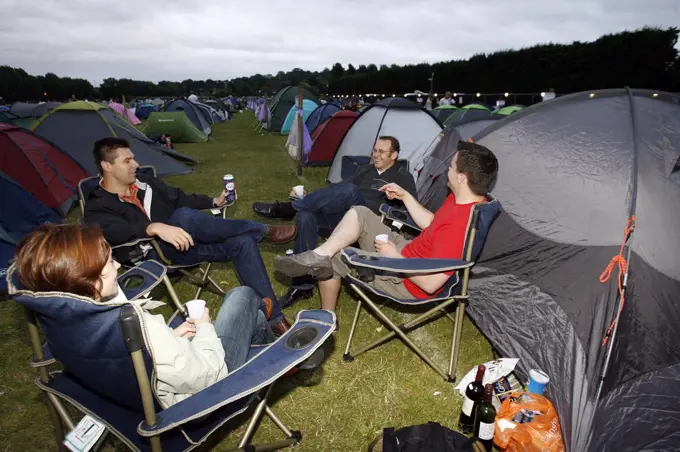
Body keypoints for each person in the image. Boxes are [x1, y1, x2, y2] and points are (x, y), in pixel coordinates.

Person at [14, 224, 276, 408]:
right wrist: (205, 327)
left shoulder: (64, 320)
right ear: (89, 281)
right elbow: (209, 374)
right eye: (108, 262)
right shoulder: (135, 324)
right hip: (199, 396)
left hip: (138, 386)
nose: (117, 265)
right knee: (240, 296)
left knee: (249, 313)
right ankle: (270, 345)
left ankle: (258, 318)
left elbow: (127, 356)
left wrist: (170, 337)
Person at [83, 137, 295, 334]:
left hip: (186, 246)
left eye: (134, 159)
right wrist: (153, 227)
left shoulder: (145, 183)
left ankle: (275, 319)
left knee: (242, 242)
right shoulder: (98, 205)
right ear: (107, 166)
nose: (135, 164)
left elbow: (179, 198)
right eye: (127, 161)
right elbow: (114, 232)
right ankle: (262, 230)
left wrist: (214, 202)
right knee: (183, 217)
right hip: (153, 258)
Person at [273, 141, 498, 312]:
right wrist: (406, 197)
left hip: (406, 279)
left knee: (336, 257)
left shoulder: (461, 224)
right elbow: (433, 224)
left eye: (451, 166)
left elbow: (430, 284)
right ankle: (317, 254)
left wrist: (395, 258)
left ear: (461, 177)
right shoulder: (466, 200)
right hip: (409, 251)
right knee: (360, 213)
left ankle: (327, 318)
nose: (446, 171)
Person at [252, 136, 417, 307]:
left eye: (381, 151)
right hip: (346, 222)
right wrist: (311, 196)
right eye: (374, 150)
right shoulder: (365, 170)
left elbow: (410, 209)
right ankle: (302, 286)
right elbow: (337, 188)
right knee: (307, 215)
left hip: (369, 224)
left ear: (394, 155)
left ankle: (290, 209)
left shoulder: (402, 176)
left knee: (352, 191)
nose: (376, 155)